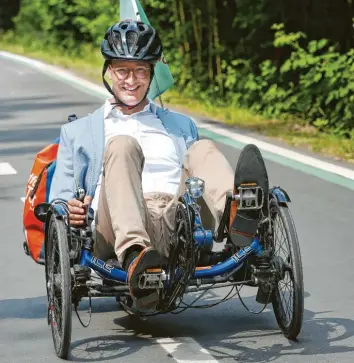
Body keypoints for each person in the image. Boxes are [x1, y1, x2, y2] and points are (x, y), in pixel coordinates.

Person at [49, 19, 269, 303]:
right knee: (122, 145)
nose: (131, 80)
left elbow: (196, 180)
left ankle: (236, 215)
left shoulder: (180, 125)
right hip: (114, 226)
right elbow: (58, 201)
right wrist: (69, 206)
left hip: (177, 217)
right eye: (122, 70)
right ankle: (134, 255)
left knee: (202, 148)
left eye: (140, 70)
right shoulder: (77, 132)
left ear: (152, 74)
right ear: (109, 72)